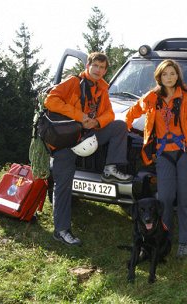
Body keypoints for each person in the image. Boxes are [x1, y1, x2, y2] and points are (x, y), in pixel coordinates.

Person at [45, 52, 132, 246]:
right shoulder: (73, 82)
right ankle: (61, 230)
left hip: (88, 135)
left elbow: (109, 113)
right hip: (66, 140)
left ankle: (110, 170)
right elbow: (50, 100)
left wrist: (96, 122)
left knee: (119, 126)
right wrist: (80, 116)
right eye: (96, 66)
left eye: (102, 68)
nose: (98, 71)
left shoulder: (102, 88)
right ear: (88, 65)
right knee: (63, 185)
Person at [125, 59, 187, 258]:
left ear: (178, 75)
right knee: (166, 198)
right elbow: (133, 111)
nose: (169, 77)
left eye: (172, 73)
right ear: (159, 77)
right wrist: (123, 127)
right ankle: (165, 236)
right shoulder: (152, 97)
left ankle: (184, 241)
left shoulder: (186, 97)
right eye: (165, 74)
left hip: (185, 153)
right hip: (163, 155)